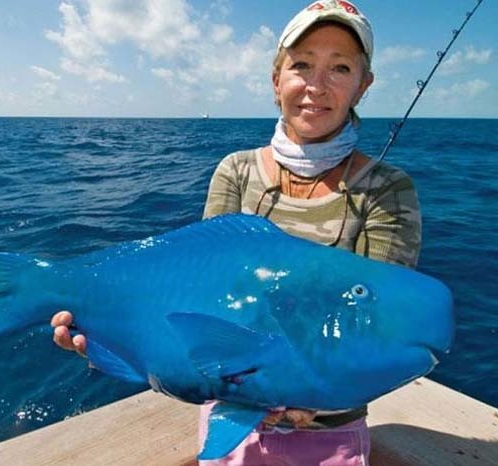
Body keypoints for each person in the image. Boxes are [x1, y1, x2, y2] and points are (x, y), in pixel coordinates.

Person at [52, 0, 422, 464]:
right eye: (301, 65)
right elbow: (195, 293)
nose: (316, 85)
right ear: (276, 80)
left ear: (362, 86)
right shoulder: (236, 172)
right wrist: (113, 336)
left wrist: (307, 401)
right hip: (230, 417)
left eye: (340, 67)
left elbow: (379, 328)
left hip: (331, 432)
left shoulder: (388, 190)